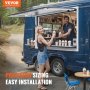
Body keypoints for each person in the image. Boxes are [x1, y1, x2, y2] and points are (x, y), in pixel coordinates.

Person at [36, 25, 56, 90]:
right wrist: (53, 36)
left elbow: (46, 43)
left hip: (45, 54)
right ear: (38, 31)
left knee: (48, 68)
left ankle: (42, 81)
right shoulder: (40, 37)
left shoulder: (41, 36)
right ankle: (40, 85)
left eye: (42, 28)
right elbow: (48, 44)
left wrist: (51, 38)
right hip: (41, 55)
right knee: (41, 71)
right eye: (41, 29)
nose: (42, 29)